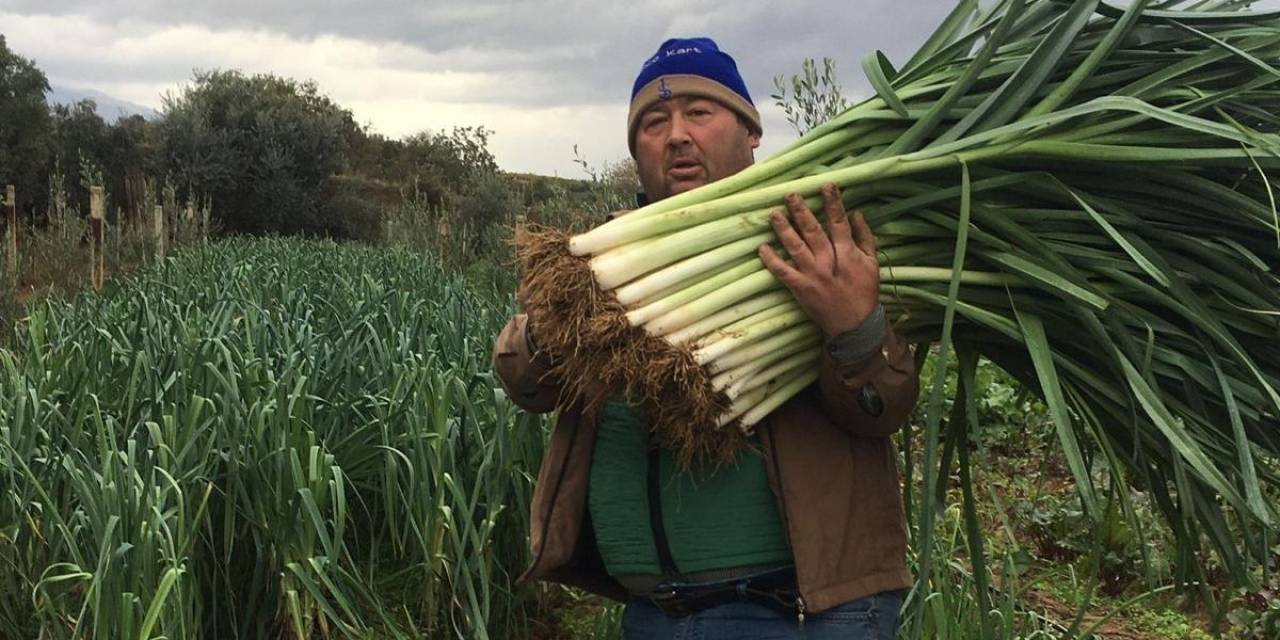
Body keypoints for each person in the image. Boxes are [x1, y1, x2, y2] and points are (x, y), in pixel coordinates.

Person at [492, 37, 919, 640]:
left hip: (799, 611)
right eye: (654, 122)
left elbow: (886, 407)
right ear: (636, 149)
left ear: (751, 132)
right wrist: (553, 327)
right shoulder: (603, 260)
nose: (676, 136)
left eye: (699, 112)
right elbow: (523, 381)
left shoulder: (819, 241)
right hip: (652, 614)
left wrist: (853, 329)